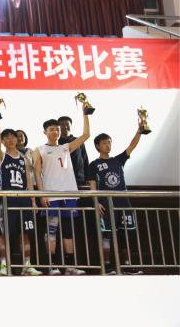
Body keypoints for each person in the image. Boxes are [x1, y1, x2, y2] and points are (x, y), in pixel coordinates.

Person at [34, 112, 90, 276]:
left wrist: (86, 113)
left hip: (69, 195)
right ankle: (52, 266)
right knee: (51, 231)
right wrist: (42, 195)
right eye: (52, 129)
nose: (56, 132)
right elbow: (37, 174)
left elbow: (86, 135)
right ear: (45, 132)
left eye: (57, 129)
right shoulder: (40, 150)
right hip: (52, 196)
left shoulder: (66, 147)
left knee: (68, 231)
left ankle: (70, 266)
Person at [87, 125, 143, 275]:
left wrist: (139, 131)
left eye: (110, 142)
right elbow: (92, 186)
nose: (108, 145)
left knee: (126, 233)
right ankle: (107, 265)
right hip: (106, 203)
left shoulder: (118, 160)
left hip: (123, 201)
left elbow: (132, 146)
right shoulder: (94, 165)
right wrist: (96, 202)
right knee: (106, 234)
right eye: (104, 143)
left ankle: (127, 264)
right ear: (97, 146)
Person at [0, 120, 41, 276]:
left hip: (24, 199)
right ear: (3, 141)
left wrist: (33, 201)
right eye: (6, 137)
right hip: (8, 199)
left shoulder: (24, 159)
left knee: (25, 233)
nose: (10, 139)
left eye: (12, 136)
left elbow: (29, 181)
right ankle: (3, 266)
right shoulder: (1, 156)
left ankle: (27, 265)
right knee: (5, 233)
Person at [58, 116, 90, 187]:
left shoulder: (78, 141)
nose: (65, 127)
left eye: (67, 124)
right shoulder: (56, 143)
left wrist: (88, 178)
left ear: (71, 126)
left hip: (79, 180)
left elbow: (85, 160)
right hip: (62, 181)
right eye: (62, 125)